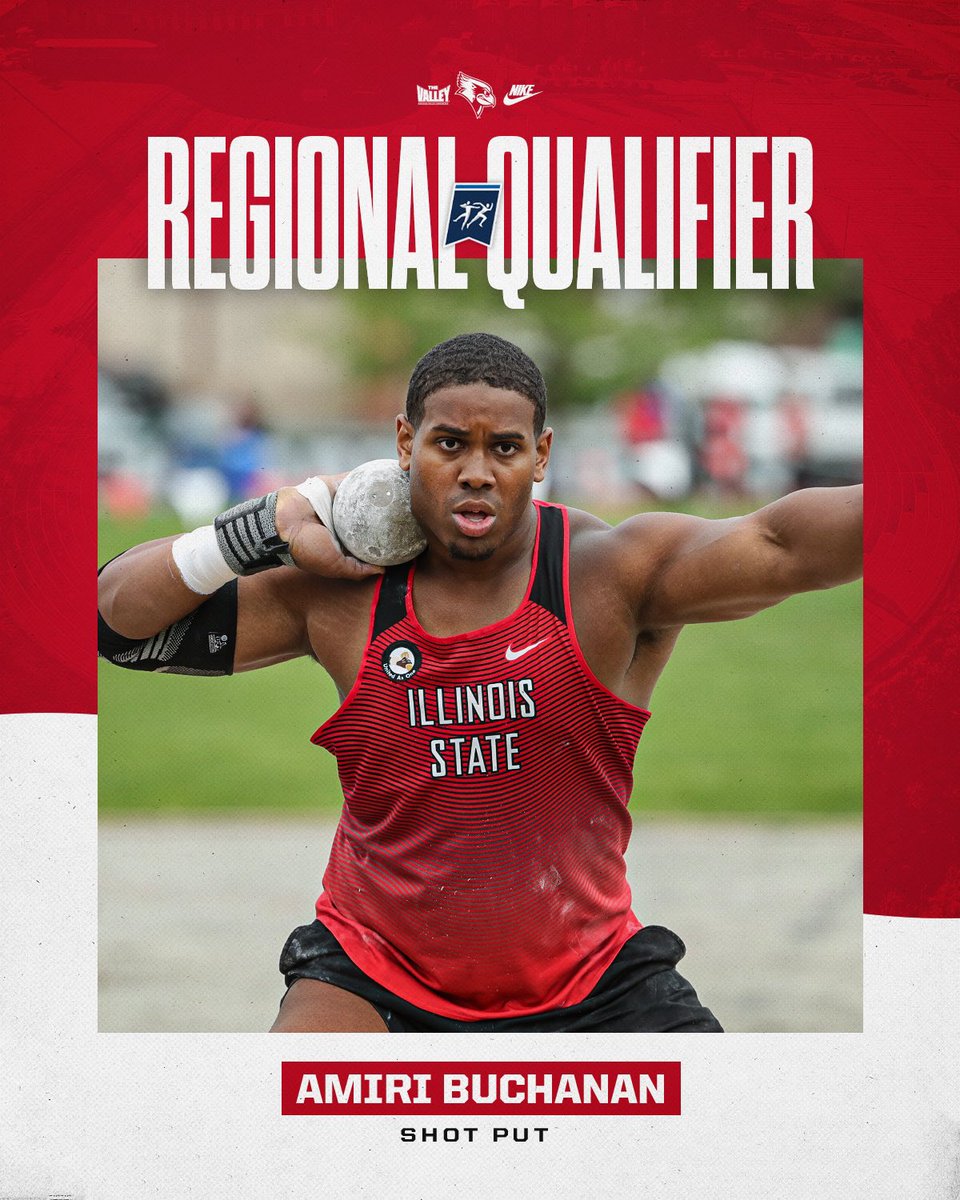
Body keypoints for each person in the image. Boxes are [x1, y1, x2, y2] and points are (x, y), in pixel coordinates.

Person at [98, 333, 863, 1033]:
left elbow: (779, 544)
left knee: (727, 1127)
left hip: (593, 983)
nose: (475, 471)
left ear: (541, 453)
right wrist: (269, 520)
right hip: (373, 974)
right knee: (291, 1121)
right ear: (405, 443)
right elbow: (116, 625)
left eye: (504, 447)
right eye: (449, 444)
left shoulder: (608, 576)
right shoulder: (339, 591)